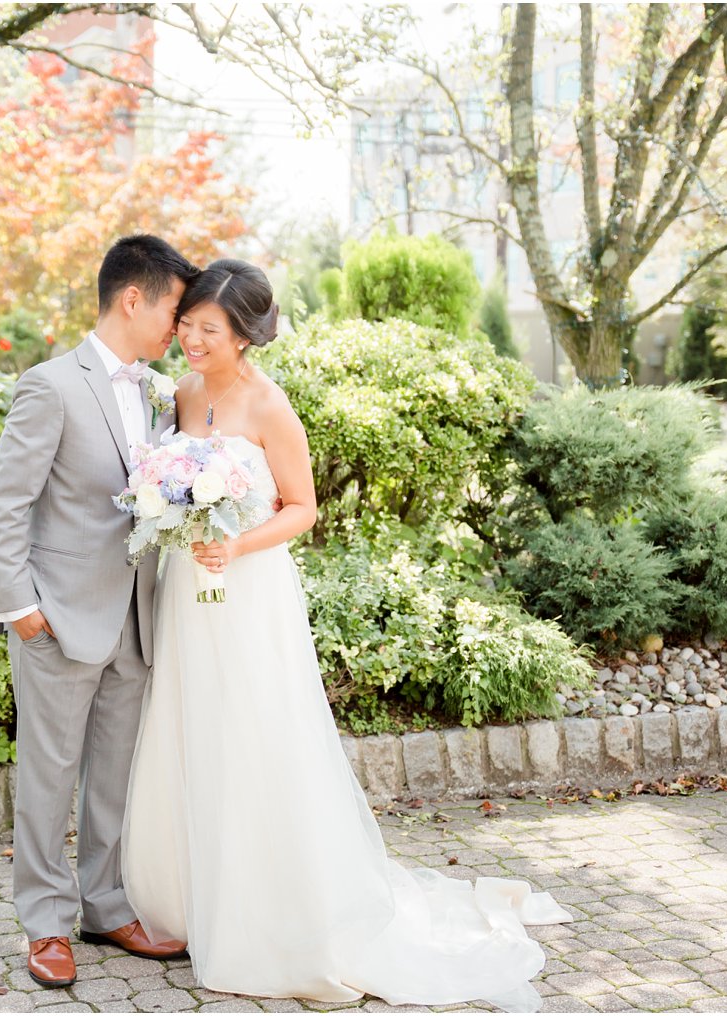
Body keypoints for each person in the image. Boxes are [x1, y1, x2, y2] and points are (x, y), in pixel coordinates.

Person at [121, 259, 573, 1011]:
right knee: (188, 726)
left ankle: (272, 906)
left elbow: (302, 509)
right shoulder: (182, 392)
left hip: (250, 594)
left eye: (209, 330)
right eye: (189, 325)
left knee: (258, 734)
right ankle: (189, 894)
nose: (191, 340)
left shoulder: (269, 406)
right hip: (186, 592)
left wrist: (236, 544)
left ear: (246, 336)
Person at [0, 234, 199, 988]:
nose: (178, 325)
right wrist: (19, 608)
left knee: (114, 776)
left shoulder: (158, 392)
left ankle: (105, 906)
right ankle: (44, 921)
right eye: (174, 308)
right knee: (48, 774)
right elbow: (7, 505)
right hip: (59, 619)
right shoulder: (50, 385)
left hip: (137, 616)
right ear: (133, 299)